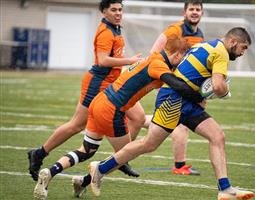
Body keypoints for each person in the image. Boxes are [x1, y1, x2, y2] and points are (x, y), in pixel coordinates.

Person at [87, 27, 255, 200]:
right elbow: (219, 87)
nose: (243, 52)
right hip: (174, 99)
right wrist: (225, 91)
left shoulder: (208, 45)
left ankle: (224, 188)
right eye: (243, 47)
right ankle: (101, 168)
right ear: (233, 42)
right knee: (149, 144)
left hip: (185, 100)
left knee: (217, 136)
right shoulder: (221, 53)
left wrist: (201, 94)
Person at [33, 34, 206, 200]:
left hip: (99, 101)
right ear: (177, 54)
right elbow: (177, 85)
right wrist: (202, 95)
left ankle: (52, 172)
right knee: (125, 156)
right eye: (182, 58)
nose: (182, 63)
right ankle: (86, 179)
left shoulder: (154, 57)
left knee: (87, 150)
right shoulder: (158, 64)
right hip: (112, 109)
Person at [27, 0, 144, 183]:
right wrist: (129, 61)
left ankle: (122, 157)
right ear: (104, 12)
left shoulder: (116, 28)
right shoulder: (106, 32)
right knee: (76, 125)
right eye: (113, 10)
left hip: (114, 83)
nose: (118, 13)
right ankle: (39, 153)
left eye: (120, 9)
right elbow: (103, 60)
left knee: (138, 117)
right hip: (98, 84)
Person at [144, 0, 204, 175]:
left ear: (202, 13)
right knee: (180, 124)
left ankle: (138, 120)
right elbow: (153, 54)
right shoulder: (174, 30)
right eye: (191, 9)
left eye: (198, 9)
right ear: (184, 12)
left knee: (172, 122)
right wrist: (165, 78)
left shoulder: (199, 34)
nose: (194, 12)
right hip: (170, 84)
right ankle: (179, 166)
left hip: (183, 85)